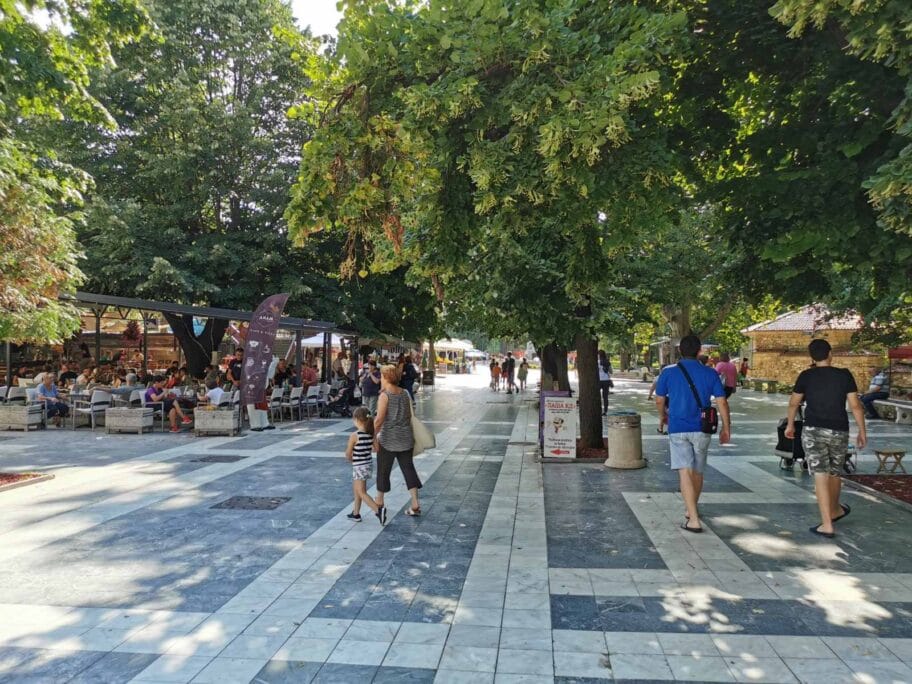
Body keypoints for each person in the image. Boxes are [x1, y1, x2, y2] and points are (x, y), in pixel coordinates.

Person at [786, 339, 866, 538]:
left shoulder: (806, 376)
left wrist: (789, 424)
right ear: (830, 354)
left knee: (820, 474)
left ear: (811, 357)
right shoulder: (844, 375)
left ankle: (827, 523)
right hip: (839, 429)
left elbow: (793, 402)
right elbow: (855, 405)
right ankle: (834, 509)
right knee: (835, 472)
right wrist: (862, 430)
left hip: (813, 430)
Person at [655, 335, 732, 533]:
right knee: (698, 471)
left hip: (678, 427)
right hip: (702, 427)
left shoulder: (668, 372)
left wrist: (661, 418)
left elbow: (659, 399)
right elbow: (722, 401)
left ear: (680, 350)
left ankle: (694, 519)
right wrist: (726, 428)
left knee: (684, 471)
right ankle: (691, 510)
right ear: (699, 351)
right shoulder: (709, 373)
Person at [373, 365, 421, 516]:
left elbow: (379, 419)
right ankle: (415, 503)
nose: (380, 379)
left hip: (388, 439)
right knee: (408, 469)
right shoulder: (405, 394)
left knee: (383, 470)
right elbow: (408, 415)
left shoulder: (384, 396)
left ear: (386, 377)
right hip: (406, 437)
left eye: (381, 376)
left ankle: (379, 501)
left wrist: (373, 436)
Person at [345, 407, 385, 524]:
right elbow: (377, 449)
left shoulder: (355, 435)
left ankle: (378, 510)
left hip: (358, 466)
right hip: (367, 465)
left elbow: (348, 453)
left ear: (357, 420)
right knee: (357, 489)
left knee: (361, 491)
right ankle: (356, 513)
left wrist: (352, 460)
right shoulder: (371, 434)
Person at [598, 350, 613, 416]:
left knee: (597, 396)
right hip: (606, 380)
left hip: (599, 381)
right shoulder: (607, 362)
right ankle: (605, 411)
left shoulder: (597, 362)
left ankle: (598, 410)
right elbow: (611, 371)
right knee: (605, 397)